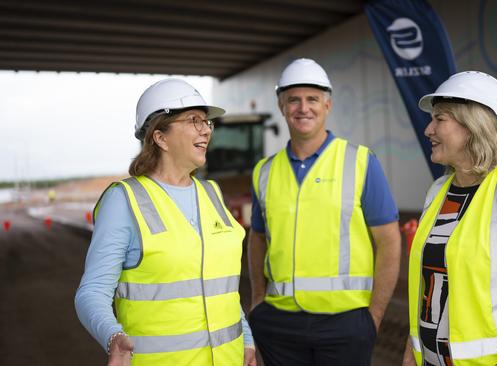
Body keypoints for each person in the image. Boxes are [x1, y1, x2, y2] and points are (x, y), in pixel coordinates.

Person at [75, 78, 256, 366]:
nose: (206, 130)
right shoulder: (124, 201)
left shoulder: (212, 194)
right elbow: (92, 293)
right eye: (194, 120)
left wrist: (245, 338)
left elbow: (223, 288)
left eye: (207, 122)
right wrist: (112, 336)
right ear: (160, 137)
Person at [247, 58, 402, 366]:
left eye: (312, 99)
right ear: (282, 106)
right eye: (294, 100)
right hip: (280, 323)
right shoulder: (264, 171)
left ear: (327, 105)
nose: (303, 108)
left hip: (346, 323)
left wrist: (374, 316)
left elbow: (389, 241)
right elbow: (257, 238)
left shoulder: (360, 162)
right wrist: (257, 302)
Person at [403, 71, 497, 366]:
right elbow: (426, 295)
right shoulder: (437, 192)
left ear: (473, 126)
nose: (428, 130)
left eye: (440, 119)